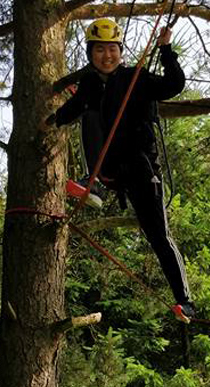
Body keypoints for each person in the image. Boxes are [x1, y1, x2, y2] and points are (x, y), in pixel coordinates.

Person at [46, 18, 194, 320]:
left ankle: (185, 301)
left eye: (111, 49)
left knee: (158, 236)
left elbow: (173, 85)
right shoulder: (89, 85)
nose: (106, 56)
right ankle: (94, 183)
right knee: (88, 113)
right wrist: (50, 121)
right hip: (112, 170)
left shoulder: (134, 77)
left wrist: (167, 50)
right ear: (90, 54)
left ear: (120, 51)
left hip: (142, 171)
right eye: (99, 50)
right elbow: (71, 110)